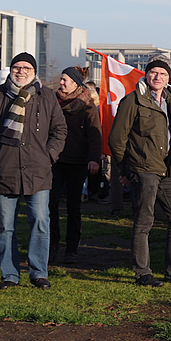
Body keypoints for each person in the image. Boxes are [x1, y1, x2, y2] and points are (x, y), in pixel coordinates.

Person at [0, 53, 67, 290]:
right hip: (5, 170)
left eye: (27, 67)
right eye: (17, 67)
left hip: (38, 170)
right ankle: (9, 274)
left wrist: (49, 156)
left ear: (34, 72)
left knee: (39, 221)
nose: (21, 71)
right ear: (11, 70)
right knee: (6, 226)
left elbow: (59, 130)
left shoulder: (46, 96)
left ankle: (38, 273)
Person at [109, 57, 171, 286]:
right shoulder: (132, 101)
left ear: (168, 78)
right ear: (146, 75)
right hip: (143, 169)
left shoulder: (169, 101)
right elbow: (117, 139)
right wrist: (126, 168)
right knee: (144, 221)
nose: (158, 77)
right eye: (154, 73)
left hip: (166, 170)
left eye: (163, 74)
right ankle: (142, 272)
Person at [50, 66, 101, 264]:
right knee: (51, 204)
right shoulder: (52, 102)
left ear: (75, 83)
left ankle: (71, 248)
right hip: (55, 160)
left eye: (65, 80)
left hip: (78, 161)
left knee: (73, 207)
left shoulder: (87, 105)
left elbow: (94, 132)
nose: (61, 83)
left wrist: (94, 158)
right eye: (61, 79)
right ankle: (52, 244)